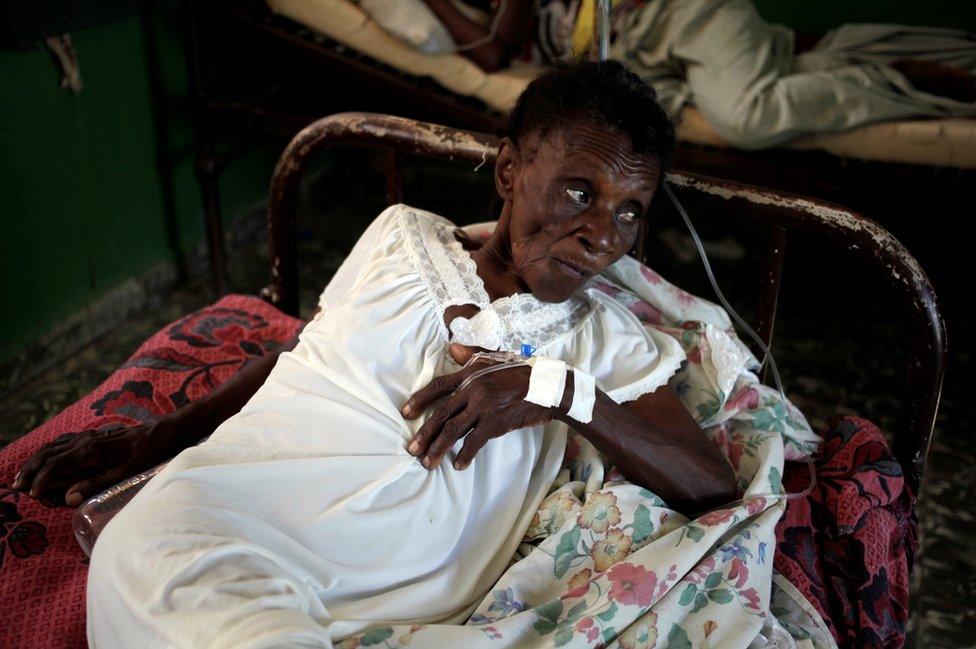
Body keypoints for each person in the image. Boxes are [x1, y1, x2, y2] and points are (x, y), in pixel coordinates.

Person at [15, 62, 740, 647]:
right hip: (220, 511)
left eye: (628, 211)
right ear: (511, 171)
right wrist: (154, 440)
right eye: (580, 190)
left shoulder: (598, 339)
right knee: (142, 555)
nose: (603, 236)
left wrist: (552, 390)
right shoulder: (401, 234)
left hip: (372, 580)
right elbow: (306, 349)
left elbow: (708, 482)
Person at [423, 0, 976, 148]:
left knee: (746, 116)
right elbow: (489, 51)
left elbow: (493, 49)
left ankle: (900, 79)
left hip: (682, 14)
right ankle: (854, 61)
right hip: (652, 56)